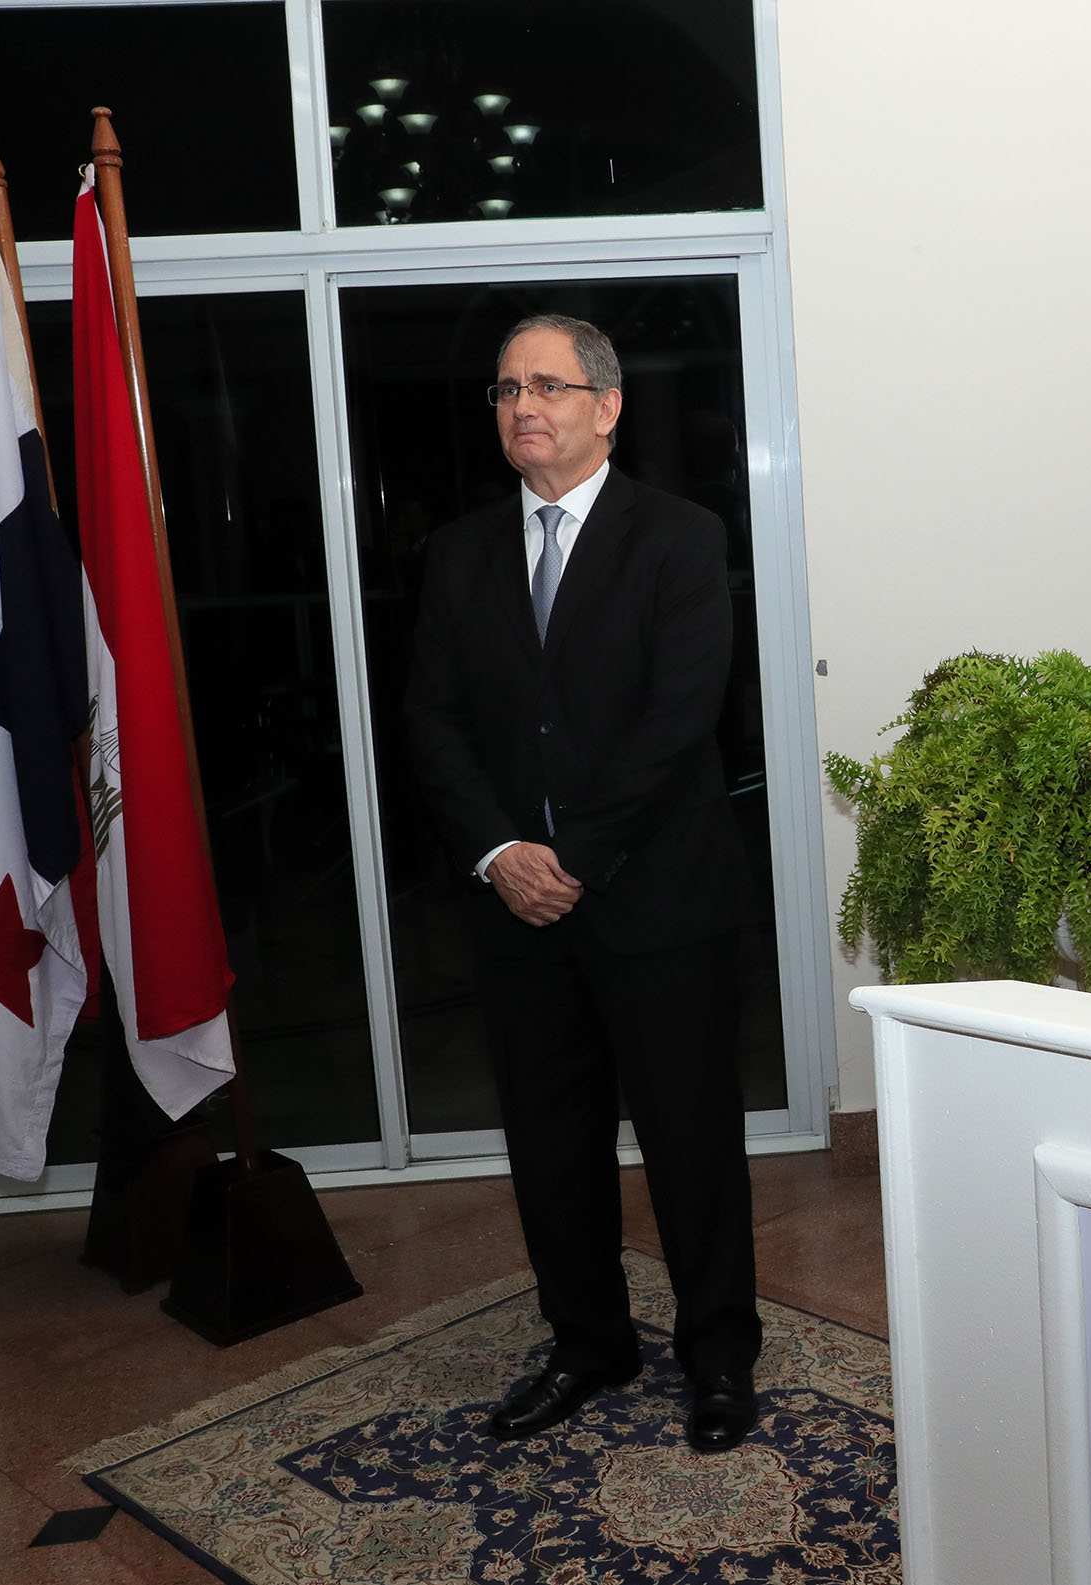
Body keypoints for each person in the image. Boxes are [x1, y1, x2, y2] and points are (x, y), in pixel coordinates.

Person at [406, 312, 760, 1447]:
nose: (523, 407)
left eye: (547, 386)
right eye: (507, 389)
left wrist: (574, 856)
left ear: (607, 408)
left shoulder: (681, 537)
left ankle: (719, 1355)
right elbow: (432, 722)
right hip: (516, 913)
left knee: (691, 1142)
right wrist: (500, 854)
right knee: (551, 1146)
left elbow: (680, 719)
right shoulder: (458, 553)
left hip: (658, 902)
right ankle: (589, 1343)